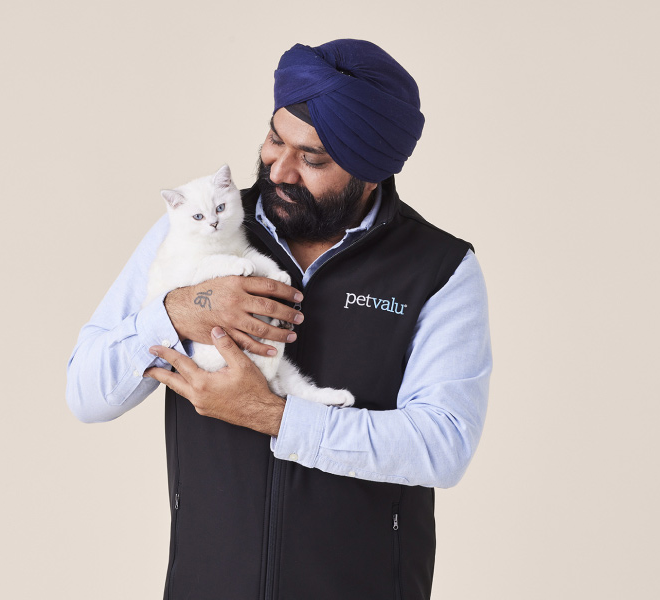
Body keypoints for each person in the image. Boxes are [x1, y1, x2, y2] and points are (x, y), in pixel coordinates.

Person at [66, 39, 492, 600]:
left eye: (313, 159)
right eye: (274, 138)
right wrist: (181, 310)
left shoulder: (438, 269)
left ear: (371, 172)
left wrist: (273, 415)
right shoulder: (192, 231)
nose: (280, 168)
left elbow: (443, 445)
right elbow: (86, 392)